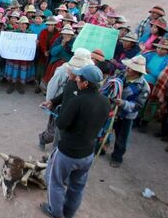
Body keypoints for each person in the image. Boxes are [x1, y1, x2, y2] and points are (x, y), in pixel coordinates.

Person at [41, 65, 110, 218]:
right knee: (77, 187)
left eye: (79, 77)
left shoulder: (77, 101)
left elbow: (61, 124)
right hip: (87, 153)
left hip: (67, 152)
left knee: (55, 182)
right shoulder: (105, 102)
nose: (77, 79)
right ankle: (69, 213)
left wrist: (60, 113)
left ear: (85, 83)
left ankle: (56, 212)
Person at [110, 55, 150, 167]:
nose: (127, 68)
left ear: (137, 71)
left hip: (126, 115)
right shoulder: (121, 75)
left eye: (130, 68)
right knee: (106, 131)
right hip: (113, 110)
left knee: (121, 137)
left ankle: (117, 157)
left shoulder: (143, 87)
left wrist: (123, 103)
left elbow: (138, 105)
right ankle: (101, 147)